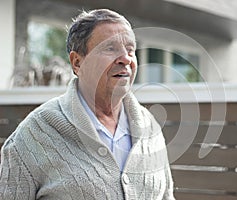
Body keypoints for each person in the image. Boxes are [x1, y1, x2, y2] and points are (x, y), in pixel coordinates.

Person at [0, 9, 175, 199]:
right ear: (77, 63)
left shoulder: (150, 128)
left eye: (130, 50)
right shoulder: (32, 135)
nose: (126, 59)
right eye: (110, 48)